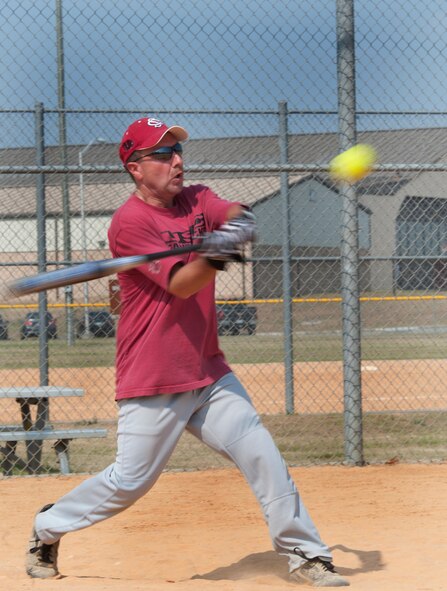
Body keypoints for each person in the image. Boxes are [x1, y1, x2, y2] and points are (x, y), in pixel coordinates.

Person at [26, 116, 349, 588]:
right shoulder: (130, 222)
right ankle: (47, 527)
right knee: (129, 483)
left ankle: (307, 554)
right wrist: (219, 253)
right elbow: (181, 284)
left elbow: (233, 211)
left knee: (262, 455)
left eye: (177, 152)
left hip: (207, 369)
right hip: (154, 376)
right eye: (162, 153)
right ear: (135, 167)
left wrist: (238, 224)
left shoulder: (196, 198)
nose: (176, 161)